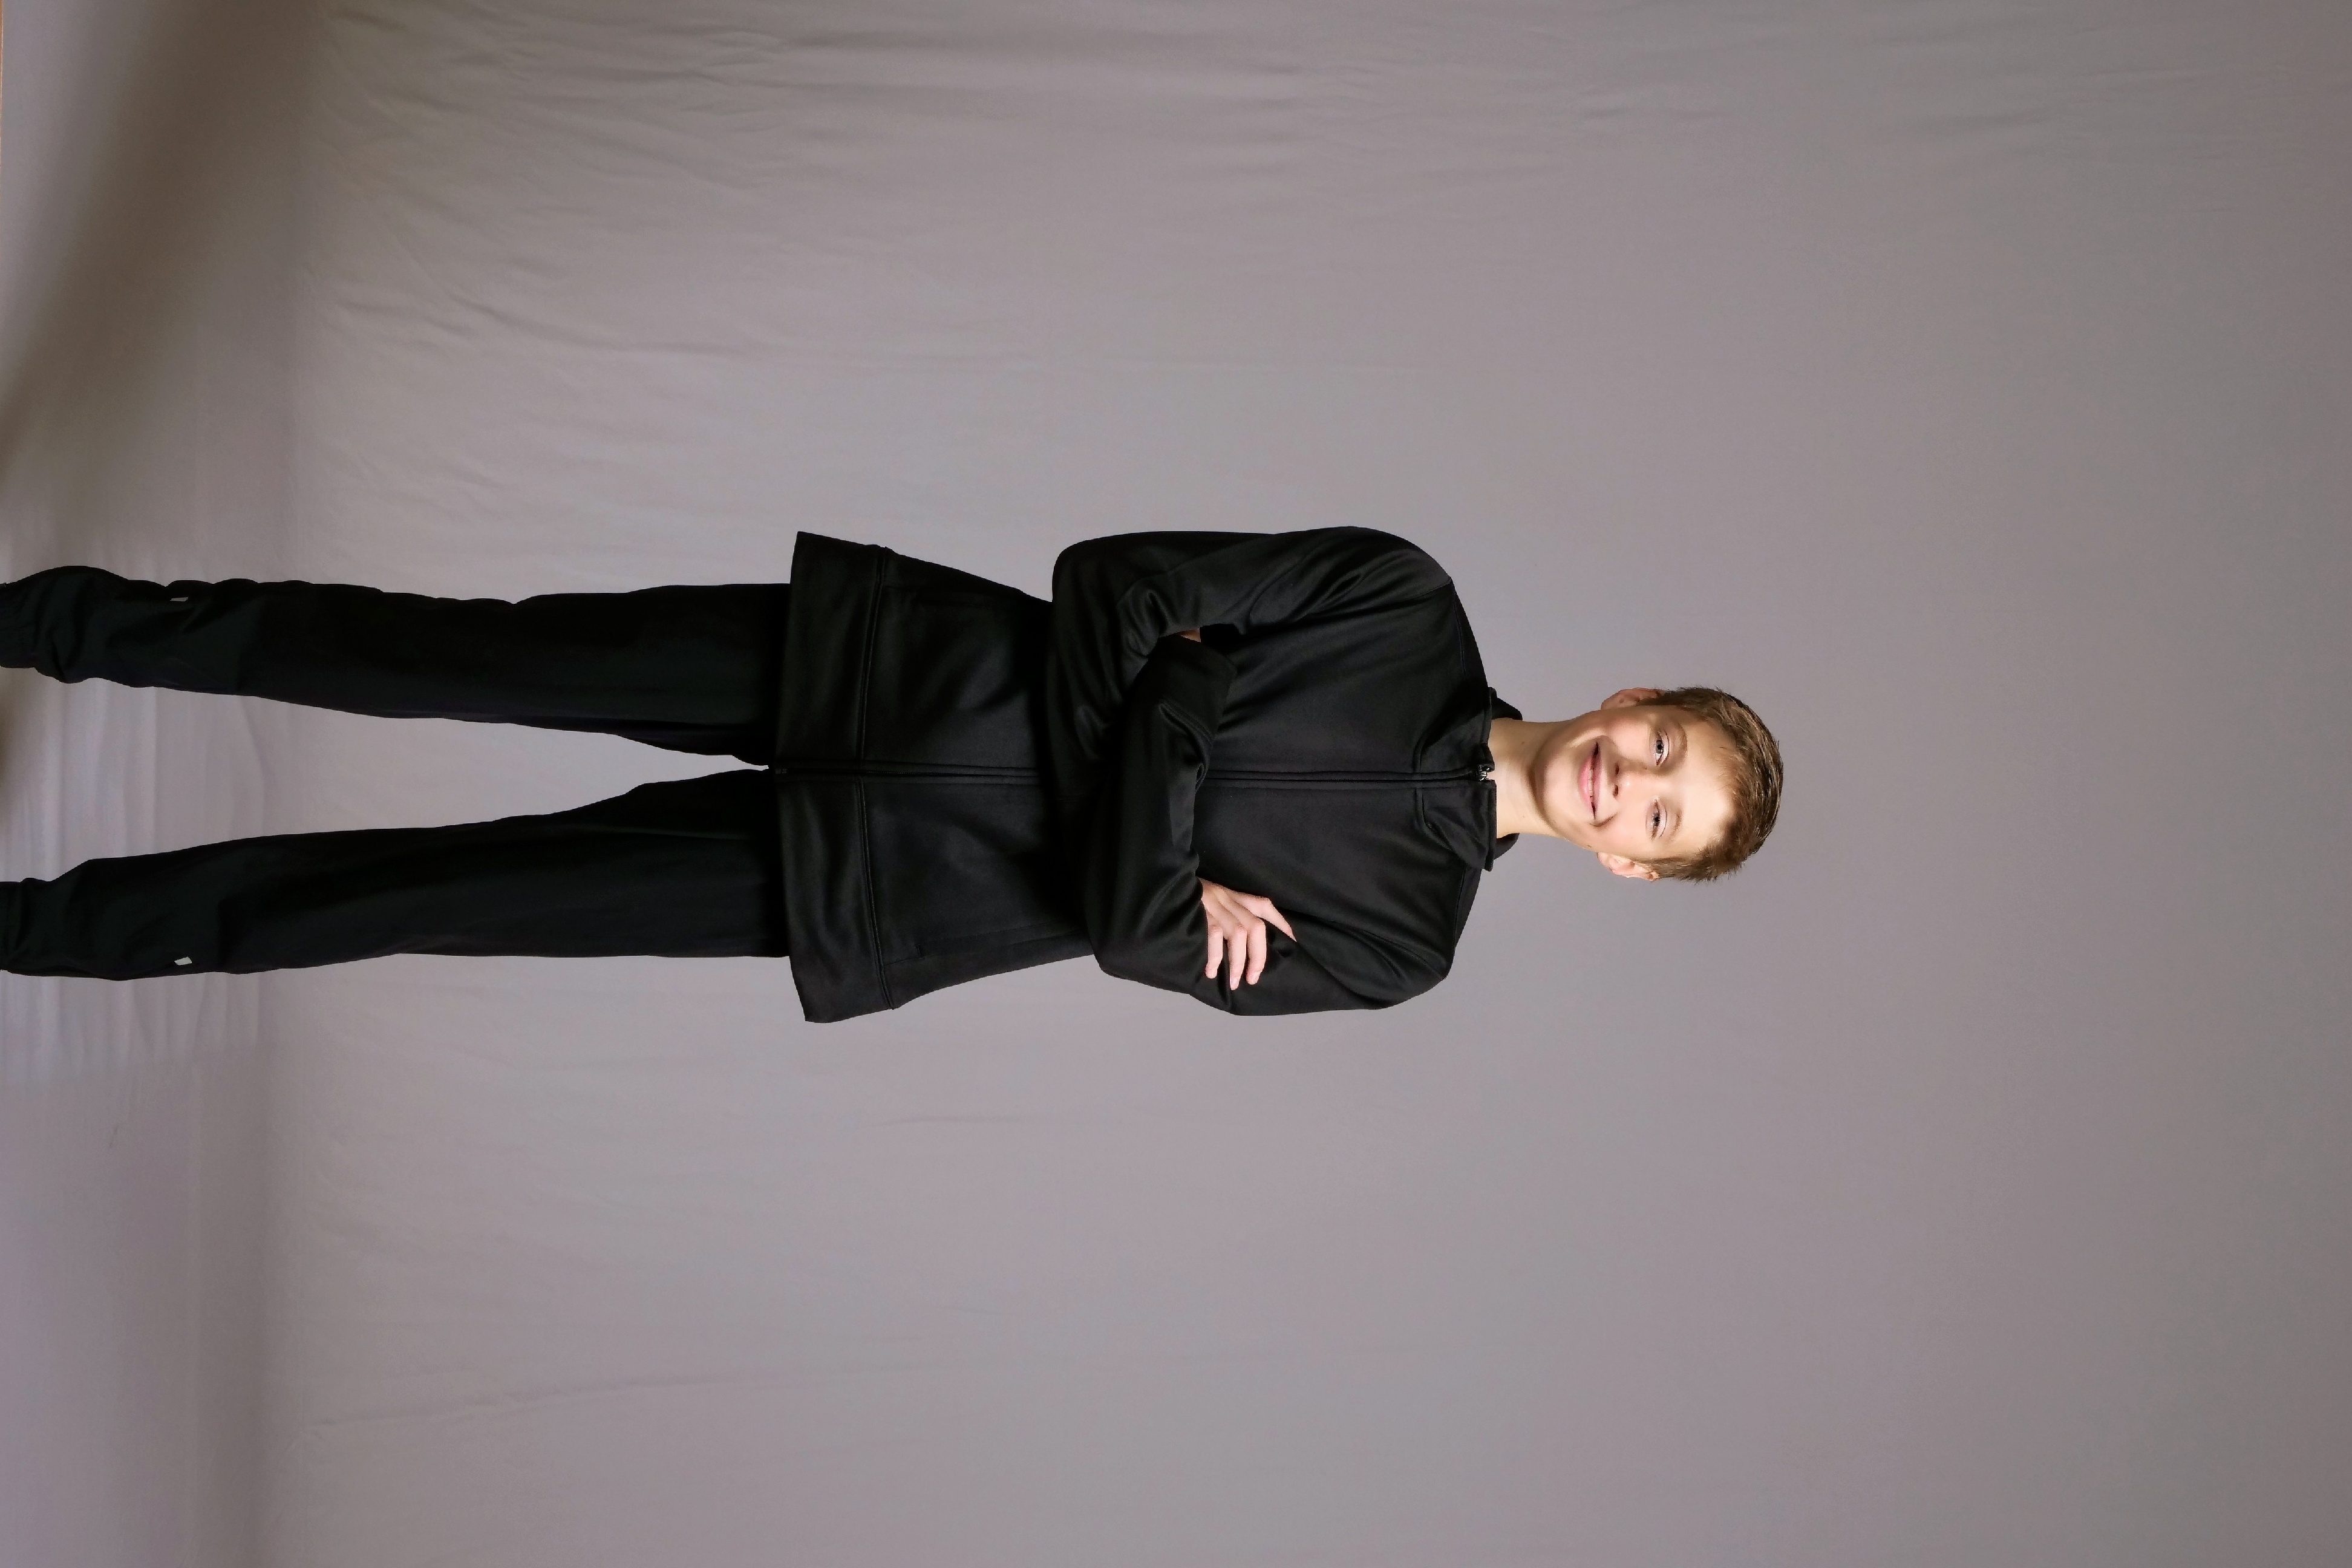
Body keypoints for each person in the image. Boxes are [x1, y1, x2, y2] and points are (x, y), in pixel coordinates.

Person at [0, 529, 1782, 1018]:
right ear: (1634, 699)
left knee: (420, 896)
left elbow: (1126, 933)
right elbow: (1115, 582)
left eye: (1661, 817)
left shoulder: (1399, 947)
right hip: (867, 660)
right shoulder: (1400, 603)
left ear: (1633, 865)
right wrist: (1163, 822)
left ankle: (33, 932)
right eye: (1662, 748)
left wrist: (1181, 698)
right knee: (444, 652)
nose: (1629, 785)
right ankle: (56, 621)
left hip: (868, 891)